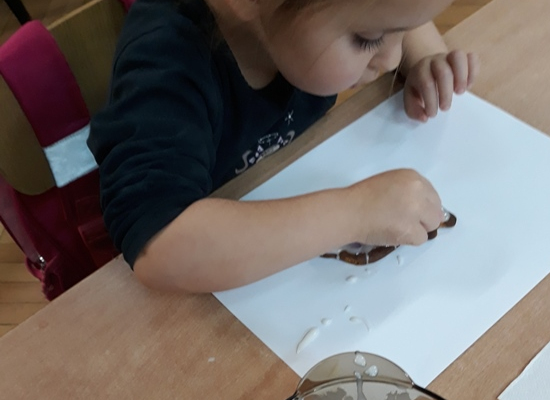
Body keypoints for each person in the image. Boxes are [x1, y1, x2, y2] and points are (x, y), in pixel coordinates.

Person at [88, 0, 478, 294]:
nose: (391, 61)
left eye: (401, 32)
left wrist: (426, 57)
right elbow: (161, 247)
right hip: (197, 269)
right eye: (369, 39)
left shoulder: (289, 22)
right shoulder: (166, 65)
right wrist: (354, 214)